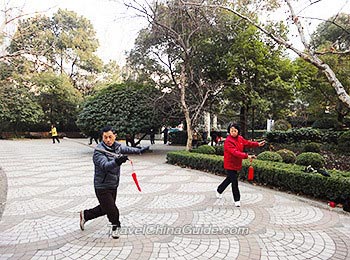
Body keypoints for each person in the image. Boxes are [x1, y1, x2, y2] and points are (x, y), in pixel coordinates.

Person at [79, 126, 149, 239]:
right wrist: (117, 161)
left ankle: (85, 215)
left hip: (113, 184)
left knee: (105, 208)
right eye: (105, 137)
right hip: (102, 185)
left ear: (114, 136)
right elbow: (105, 166)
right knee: (112, 209)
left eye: (110, 137)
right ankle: (116, 226)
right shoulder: (98, 152)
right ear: (102, 137)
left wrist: (139, 150)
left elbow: (127, 149)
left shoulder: (117, 147)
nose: (108, 140)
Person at [216, 122, 265, 207]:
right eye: (231, 131)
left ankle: (219, 190)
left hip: (237, 163)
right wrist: (247, 156)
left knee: (229, 179)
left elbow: (247, 143)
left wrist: (257, 144)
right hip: (230, 164)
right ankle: (237, 200)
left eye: (235, 131)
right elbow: (235, 152)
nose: (233, 132)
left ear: (238, 131)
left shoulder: (240, 138)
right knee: (234, 181)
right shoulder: (228, 141)